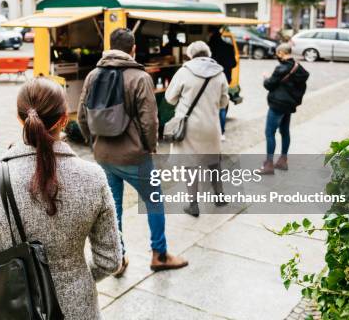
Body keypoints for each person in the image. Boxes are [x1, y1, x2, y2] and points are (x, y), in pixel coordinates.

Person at [0, 77, 122, 320]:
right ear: (65, 119)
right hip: (79, 308)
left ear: (19, 118)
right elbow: (110, 261)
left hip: (17, 309)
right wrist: (74, 275)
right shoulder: (94, 177)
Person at [78, 28, 188, 275]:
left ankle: (118, 260)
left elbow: (81, 116)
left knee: (113, 207)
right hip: (135, 156)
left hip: (104, 156)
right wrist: (149, 148)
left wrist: (93, 143)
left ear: (109, 46)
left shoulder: (93, 75)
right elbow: (150, 120)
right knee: (154, 200)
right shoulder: (140, 77)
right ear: (133, 49)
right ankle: (159, 254)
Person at [165, 41, 230, 217]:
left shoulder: (184, 72)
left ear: (190, 54)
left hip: (189, 127)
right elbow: (224, 102)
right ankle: (219, 196)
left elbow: (170, 98)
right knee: (214, 161)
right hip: (211, 125)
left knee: (190, 164)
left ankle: (193, 204)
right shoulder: (220, 73)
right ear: (208, 54)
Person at [261, 43, 309, 174]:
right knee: (285, 131)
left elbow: (270, 85)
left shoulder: (280, 68)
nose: (277, 56)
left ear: (281, 53)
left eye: (277, 53)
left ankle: (269, 164)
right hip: (289, 105)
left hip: (277, 104)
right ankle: (283, 160)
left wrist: (265, 78)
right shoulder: (299, 68)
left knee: (270, 133)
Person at [207, 26, 236, 140]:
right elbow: (233, 64)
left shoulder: (209, 47)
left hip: (210, 79)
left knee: (210, 105)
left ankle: (211, 130)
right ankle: (221, 132)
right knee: (223, 105)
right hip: (225, 78)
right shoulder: (228, 47)